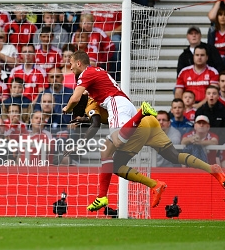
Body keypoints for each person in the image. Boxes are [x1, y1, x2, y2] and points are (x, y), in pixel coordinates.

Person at [62, 50, 157, 211]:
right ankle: (102, 197)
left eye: (71, 64)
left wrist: (66, 109)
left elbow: (75, 98)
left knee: (118, 142)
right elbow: (95, 120)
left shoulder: (87, 74)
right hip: (123, 105)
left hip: (116, 104)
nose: (70, 69)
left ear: (79, 63)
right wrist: (84, 118)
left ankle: (143, 112)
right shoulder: (97, 74)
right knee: (106, 152)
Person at [111, 115, 225, 208]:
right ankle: (211, 168)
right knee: (174, 156)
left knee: (116, 166)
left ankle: (155, 185)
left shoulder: (98, 99)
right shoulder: (110, 92)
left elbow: (99, 122)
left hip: (138, 125)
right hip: (150, 121)